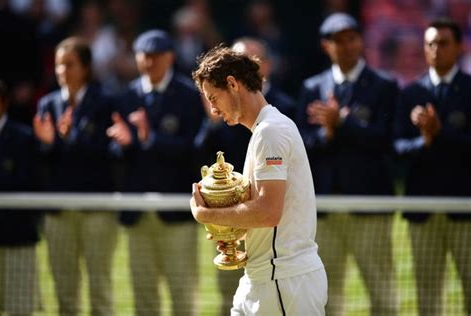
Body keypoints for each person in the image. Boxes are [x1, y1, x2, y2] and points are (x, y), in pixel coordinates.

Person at [190, 45, 327, 315]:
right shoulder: (266, 130)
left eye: (213, 98)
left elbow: (268, 212)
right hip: (265, 278)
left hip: (284, 282)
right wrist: (232, 232)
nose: (213, 110)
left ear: (232, 84)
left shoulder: (271, 132)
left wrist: (207, 214)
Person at [296, 13, 399, 316]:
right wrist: (327, 133)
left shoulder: (384, 86)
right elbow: (302, 144)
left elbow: (387, 141)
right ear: (325, 46)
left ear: (361, 42)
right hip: (325, 206)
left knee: (381, 288)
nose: (345, 46)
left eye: (351, 38)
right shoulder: (312, 87)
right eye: (337, 40)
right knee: (325, 291)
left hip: (369, 203)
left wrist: (341, 123)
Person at [107, 29, 205, 316]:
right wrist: (124, 144)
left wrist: (149, 140)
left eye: (156, 56)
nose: (150, 62)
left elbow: (194, 150)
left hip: (176, 211)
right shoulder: (126, 97)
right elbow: (117, 153)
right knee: (143, 293)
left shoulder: (188, 96)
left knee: (182, 293)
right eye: (144, 56)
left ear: (170, 57)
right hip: (138, 211)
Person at [33, 37, 118, 316]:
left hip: (97, 209)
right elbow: (42, 158)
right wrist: (47, 143)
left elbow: (110, 154)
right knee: (64, 289)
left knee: (99, 287)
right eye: (58, 65)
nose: (62, 71)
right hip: (59, 212)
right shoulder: (47, 104)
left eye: (69, 64)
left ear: (85, 68)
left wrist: (72, 139)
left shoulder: (106, 102)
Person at [393, 17, 471, 316]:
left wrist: (440, 134)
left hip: (464, 209)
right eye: (430, 44)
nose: (436, 49)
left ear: (458, 47)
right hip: (422, 209)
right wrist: (424, 142)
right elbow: (396, 148)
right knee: (427, 295)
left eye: (443, 43)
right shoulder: (410, 93)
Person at [0, 79, 42, 316]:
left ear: (3, 104)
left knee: (20, 310)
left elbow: (29, 181)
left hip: (18, 240)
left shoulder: (23, 138)